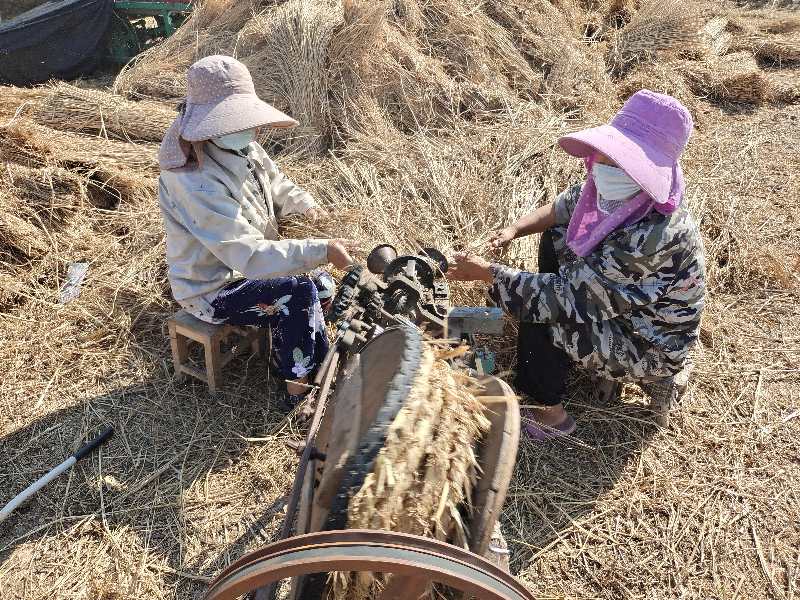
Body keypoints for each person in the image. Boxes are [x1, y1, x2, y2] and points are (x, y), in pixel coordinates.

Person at [448, 90, 706, 439]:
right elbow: (560, 210)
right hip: (620, 305)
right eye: (608, 156)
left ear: (647, 173)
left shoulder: (653, 235)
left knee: (542, 312)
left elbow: (562, 298)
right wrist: (513, 229)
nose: (604, 167)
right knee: (555, 237)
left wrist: (487, 275)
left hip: (650, 340)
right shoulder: (616, 189)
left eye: (621, 163)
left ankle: (550, 414)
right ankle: (570, 359)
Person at [157, 55, 354, 409]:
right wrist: (321, 248)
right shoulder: (192, 180)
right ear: (209, 124)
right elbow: (246, 255)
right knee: (297, 292)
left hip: (248, 266)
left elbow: (279, 185)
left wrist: (309, 208)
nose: (252, 130)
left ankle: (303, 349)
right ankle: (296, 389)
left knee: (323, 285)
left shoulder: (243, 148)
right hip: (213, 286)